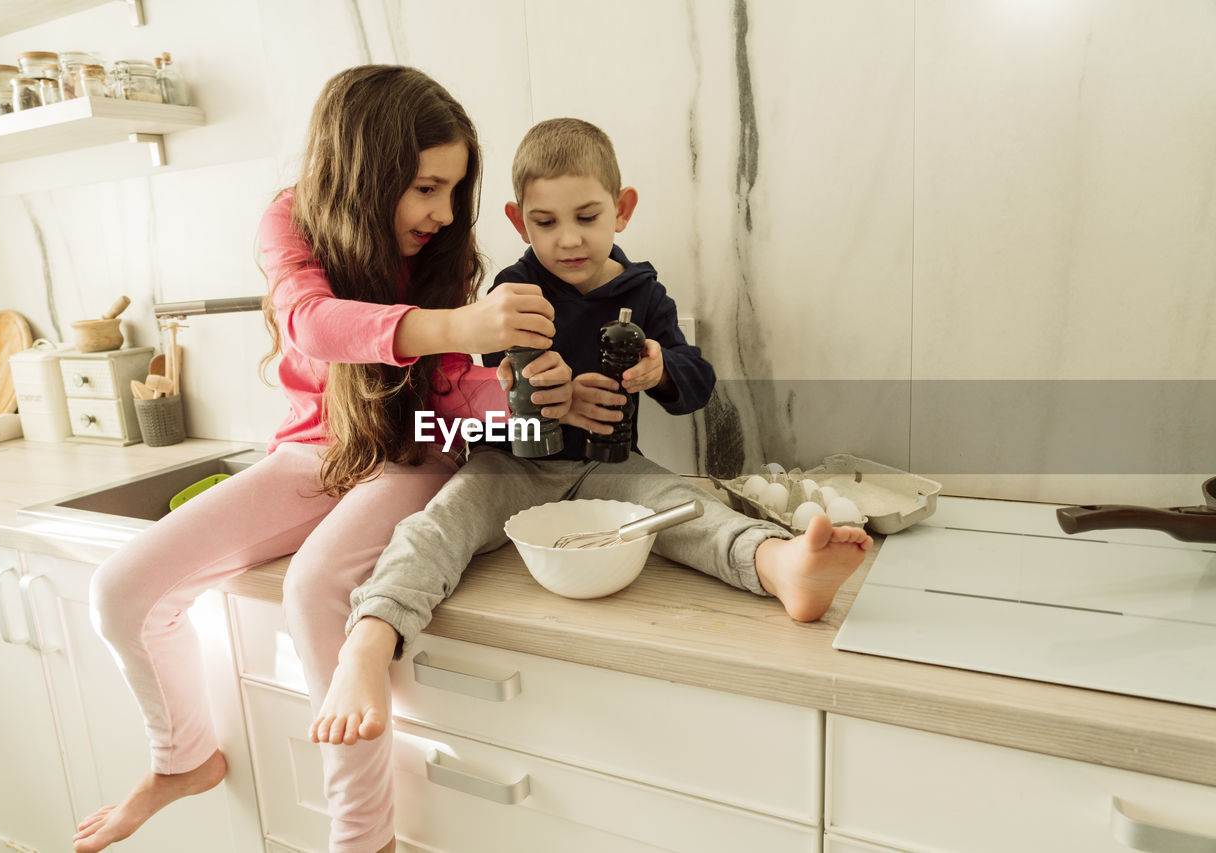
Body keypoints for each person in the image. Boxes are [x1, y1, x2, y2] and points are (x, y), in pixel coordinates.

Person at [73, 66, 572, 853]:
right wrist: (459, 327)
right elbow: (310, 323)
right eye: (425, 188)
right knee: (123, 591)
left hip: (416, 452)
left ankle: (361, 839)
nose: (444, 214)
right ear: (368, 172)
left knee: (316, 589)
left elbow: (454, 386)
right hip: (318, 449)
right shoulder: (291, 219)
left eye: (453, 190)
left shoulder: (442, 248)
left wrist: (521, 390)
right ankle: (183, 759)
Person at [310, 117, 873, 747]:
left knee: (688, 509)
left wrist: (660, 367)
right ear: (519, 221)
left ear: (622, 210)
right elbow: (484, 385)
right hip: (511, 466)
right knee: (434, 529)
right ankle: (369, 641)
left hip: (609, 467)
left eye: (587, 216)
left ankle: (780, 565)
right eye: (545, 223)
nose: (568, 239)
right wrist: (535, 385)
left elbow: (698, 380)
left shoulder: (644, 292)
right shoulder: (513, 291)